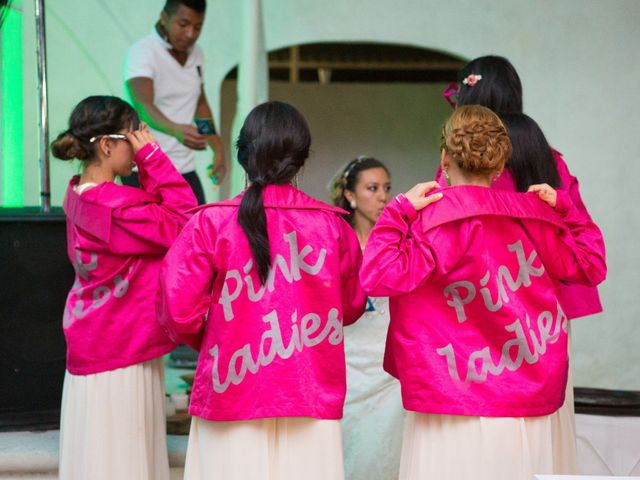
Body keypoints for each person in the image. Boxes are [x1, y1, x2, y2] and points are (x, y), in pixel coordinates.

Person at [360, 105, 607, 480]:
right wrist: (566, 208)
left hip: (448, 399)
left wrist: (399, 210)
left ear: (444, 157)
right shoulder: (536, 218)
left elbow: (377, 276)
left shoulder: (429, 223)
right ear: (499, 164)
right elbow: (591, 265)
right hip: (525, 399)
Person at [158, 101, 367, 480]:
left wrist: (223, 336)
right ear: (300, 160)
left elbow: (178, 310)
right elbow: (351, 307)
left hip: (230, 389)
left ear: (243, 155)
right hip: (310, 389)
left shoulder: (210, 222)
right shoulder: (334, 228)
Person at [437, 55, 603, 472]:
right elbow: (576, 229)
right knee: (540, 410)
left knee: (480, 414)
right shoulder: (545, 154)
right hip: (539, 305)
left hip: (480, 300)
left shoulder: (461, 160)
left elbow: (443, 226)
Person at [51, 95, 197, 479]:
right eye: (132, 137)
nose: (138, 145)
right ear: (106, 144)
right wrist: (153, 159)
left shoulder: (78, 193)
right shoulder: (119, 207)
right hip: (121, 354)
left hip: (94, 344)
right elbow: (186, 222)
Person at [329, 156, 404, 480]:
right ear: (350, 194)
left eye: (386, 188)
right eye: (372, 188)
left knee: (385, 450)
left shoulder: (396, 242)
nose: (383, 196)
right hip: (347, 361)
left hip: (386, 369)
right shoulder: (335, 242)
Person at [123, 0, 225, 205]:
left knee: (196, 233)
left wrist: (218, 148)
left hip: (184, 168)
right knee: (148, 236)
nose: (190, 34)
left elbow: (200, 104)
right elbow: (143, 106)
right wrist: (176, 130)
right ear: (164, 17)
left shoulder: (197, 54)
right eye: (183, 24)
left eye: (198, 27)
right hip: (144, 168)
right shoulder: (143, 51)